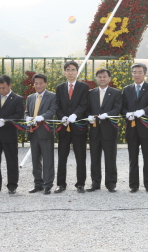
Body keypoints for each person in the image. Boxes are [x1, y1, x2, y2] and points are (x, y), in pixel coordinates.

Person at [121, 63, 148, 193]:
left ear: (144, 74)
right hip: (131, 128)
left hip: (146, 128)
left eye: (139, 72)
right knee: (133, 157)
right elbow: (123, 106)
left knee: (147, 157)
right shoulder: (126, 89)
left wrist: (143, 111)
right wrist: (126, 113)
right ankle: (133, 185)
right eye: (134, 72)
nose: (137, 75)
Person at [0, 75, 24, 194]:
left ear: (10, 85)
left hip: (9, 134)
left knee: (11, 160)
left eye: (3, 88)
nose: (1, 90)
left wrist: (6, 121)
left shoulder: (17, 99)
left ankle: (12, 185)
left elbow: (19, 115)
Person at [55, 60, 89, 193]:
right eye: (68, 70)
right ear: (64, 72)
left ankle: (80, 184)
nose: (70, 72)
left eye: (73, 69)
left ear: (77, 71)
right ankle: (61, 184)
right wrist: (61, 116)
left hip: (78, 126)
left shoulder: (83, 87)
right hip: (64, 127)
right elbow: (57, 105)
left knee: (80, 156)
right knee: (62, 156)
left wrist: (75, 115)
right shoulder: (60, 87)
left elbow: (84, 104)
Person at [86, 68, 122, 193]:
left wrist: (106, 114)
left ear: (109, 79)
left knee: (110, 157)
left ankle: (111, 183)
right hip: (95, 130)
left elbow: (117, 109)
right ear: (96, 78)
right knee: (94, 157)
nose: (102, 79)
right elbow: (87, 108)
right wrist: (89, 116)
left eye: (104, 76)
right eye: (100, 77)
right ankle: (95, 183)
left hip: (109, 130)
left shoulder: (116, 93)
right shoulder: (91, 93)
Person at [24, 73, 57, 195]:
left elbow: (52, 110)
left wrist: (42, 117)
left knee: (48, 159)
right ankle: (38, 184)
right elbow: (27, 111)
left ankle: (48, 185)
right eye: (36, 83)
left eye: (40, 83)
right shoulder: (30, 97)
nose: (38, 86)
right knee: (35, 159)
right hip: (33, 132)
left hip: (45, 131)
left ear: (46, 83)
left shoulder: (52, 96)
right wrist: (27, 117)